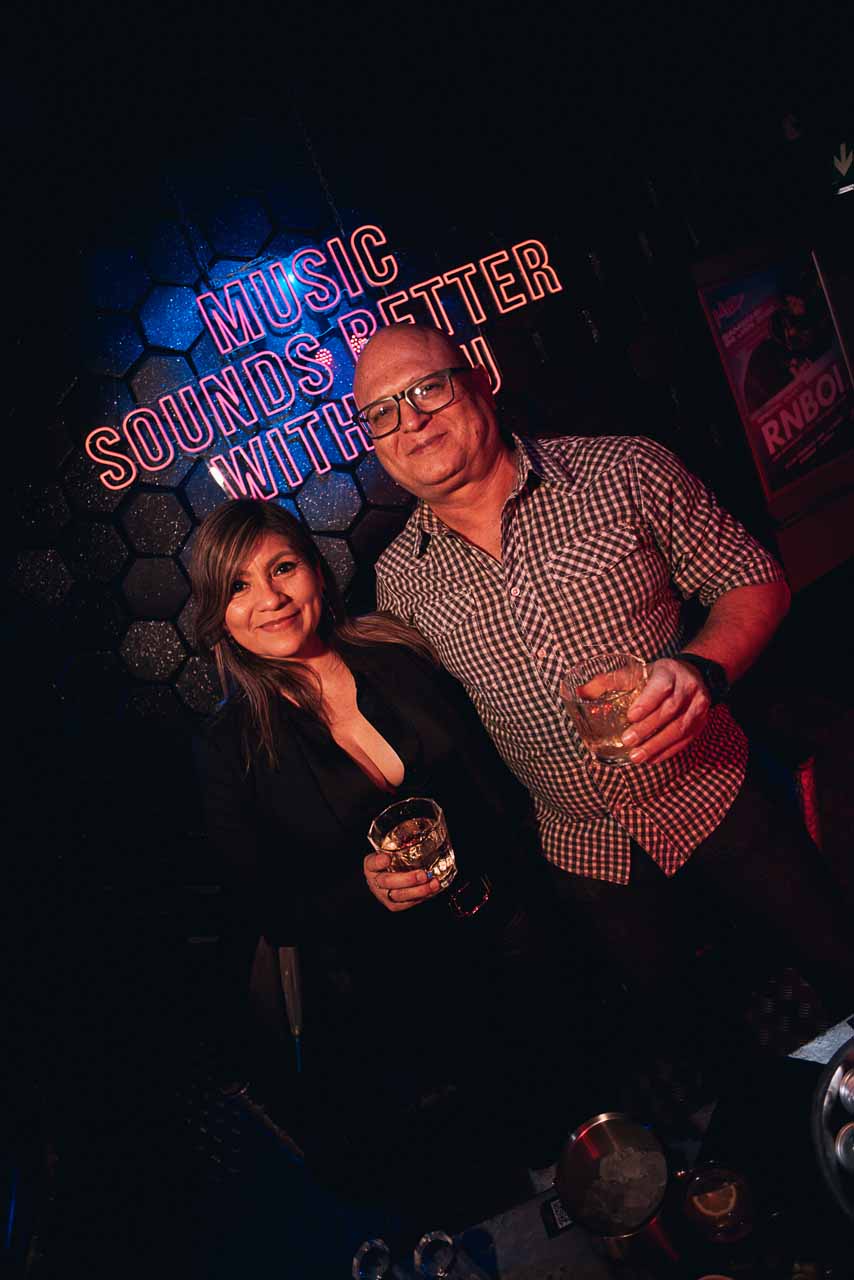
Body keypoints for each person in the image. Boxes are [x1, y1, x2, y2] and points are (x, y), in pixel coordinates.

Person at [355, 322, 854, 1123]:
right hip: (585, 854)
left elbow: (755, 581)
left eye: (427, 389)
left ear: (477, 379)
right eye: (382, 412)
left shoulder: (622, 470)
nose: (410, 420)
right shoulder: (398, 585)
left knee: (836, 959)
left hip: (716, 796)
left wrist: (700, 670)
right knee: (695, 1038)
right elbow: (421, 735)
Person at [189, 497, 576, 1194]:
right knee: (508, 1150)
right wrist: (359, 890)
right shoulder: (228, 748)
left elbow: (497, 779)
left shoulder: (397, 651)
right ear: (219, 611)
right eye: (239, 585)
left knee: (587, 1088)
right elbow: (265, 906)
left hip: (520, 926)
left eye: (283, 568)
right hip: (408, 992)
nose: (270, 599)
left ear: (316, 569)